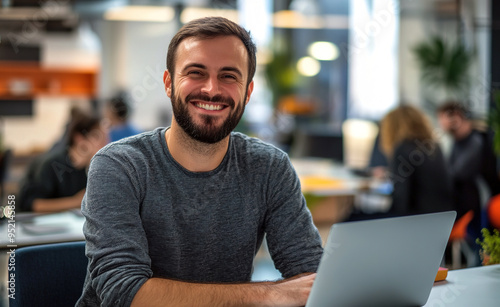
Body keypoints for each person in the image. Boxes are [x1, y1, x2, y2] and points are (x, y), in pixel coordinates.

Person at [77, 17, 323, 307]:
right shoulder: (119, 166)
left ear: (248, 92)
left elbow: (312, 276)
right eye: (196, 72)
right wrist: (269, 293)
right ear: (169, 83)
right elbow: (125, 294)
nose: (211, 89)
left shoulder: (269, 168)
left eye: (229, 76)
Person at [17, 112, 109, 213]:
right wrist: (75, 202)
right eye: (98, 137)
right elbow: (33, 205)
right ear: (79, 138)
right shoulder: (52, 165)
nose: (105, 143)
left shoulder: (89, 169)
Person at [437, 102, 500, 237]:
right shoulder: (457, 141)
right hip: (464, 201)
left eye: (443, 118)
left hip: (480, 203)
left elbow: (457, 173)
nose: (441, 123)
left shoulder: (476, 140)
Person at [379, 105, 453, 216]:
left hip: (417, 221)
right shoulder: (434, 146)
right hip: (442, 219)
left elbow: (401, 201)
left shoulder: (402, 148)